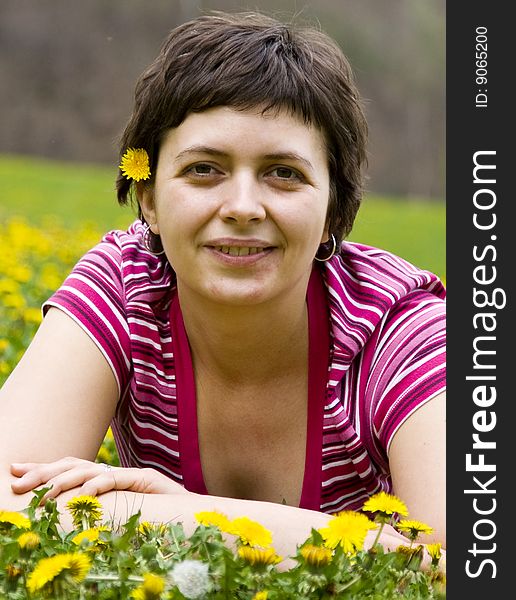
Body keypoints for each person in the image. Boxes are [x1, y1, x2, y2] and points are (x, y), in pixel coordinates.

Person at [0, 11, 445, 564]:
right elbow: (6, 501)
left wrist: (181, 516)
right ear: (149, 201)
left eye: (283, 172)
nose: (241, 207)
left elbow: (464, 564)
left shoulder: (400, 326)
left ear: (333, 208)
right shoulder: (124, 285)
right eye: (204, 169)